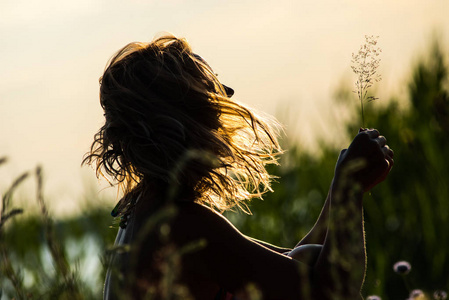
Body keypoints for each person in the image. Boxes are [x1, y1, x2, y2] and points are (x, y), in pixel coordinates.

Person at [83, 34, 394, 300]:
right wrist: (349, 188)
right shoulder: (179, 226)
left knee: (306, 256)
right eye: (214, 106)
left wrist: (339, 190)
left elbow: (286, 270)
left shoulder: (148, 212)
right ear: (184, 124)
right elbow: (331, 292)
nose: (223, 117)